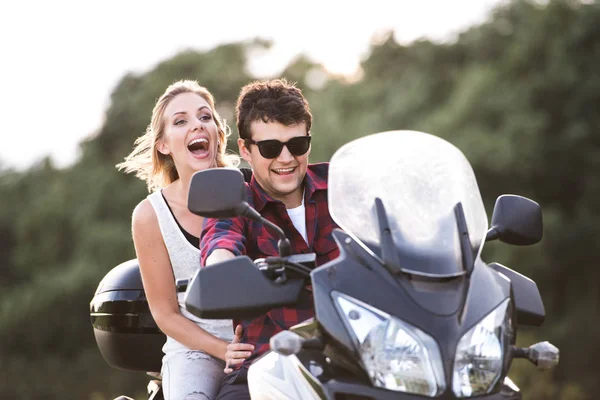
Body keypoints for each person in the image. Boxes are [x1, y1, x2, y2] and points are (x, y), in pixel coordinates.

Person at [200, 78, 341, 399]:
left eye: (297, 144)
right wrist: (222, 270)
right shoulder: (237, 203)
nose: (286, 158)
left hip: (358, 353)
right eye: (270, 148)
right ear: (246, 150)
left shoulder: (343, 185)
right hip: (269, 362)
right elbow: (220, 240)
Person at [117, 80, 252, 400]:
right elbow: (165, 314)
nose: (197, 125)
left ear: (218, 133)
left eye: (206, 117)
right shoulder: (150, 215)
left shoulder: (250, 190)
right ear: (163, 144)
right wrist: (222, 348)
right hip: (194, 350)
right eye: (181, 121)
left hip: (256, 344)